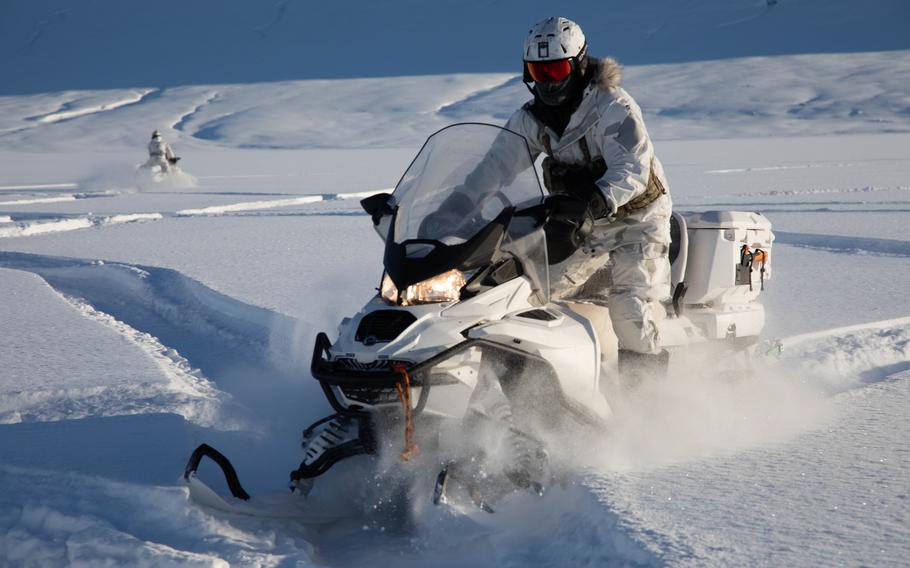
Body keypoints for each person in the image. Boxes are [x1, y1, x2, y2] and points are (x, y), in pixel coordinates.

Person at [504, 16, 673, 379]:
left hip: (637, 221)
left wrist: (592, 204)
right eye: (538, 71)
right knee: (523, 293)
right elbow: (495, 165)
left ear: (578, 65)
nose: (547, 83)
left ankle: (649, 402)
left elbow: (631, 171)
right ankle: (528, 382)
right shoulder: (531, 119)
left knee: (629, 307)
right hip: (579, 222)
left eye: (556, 70)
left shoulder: (613, 107)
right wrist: (457, 200)